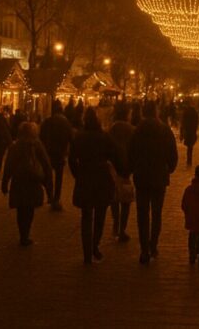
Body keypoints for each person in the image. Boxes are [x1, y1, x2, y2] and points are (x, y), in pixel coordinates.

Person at [128, 102, 179, 264]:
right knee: (156, 213)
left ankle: (144, 249)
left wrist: (132, 168)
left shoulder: (137, 130)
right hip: (159, 176)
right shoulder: (164, 129)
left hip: (142, 176)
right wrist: (169, 168)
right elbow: (173, 154)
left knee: (142, 214)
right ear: (156, 112)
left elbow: (130, 152)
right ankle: (153, 245)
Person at [68, 107, 119, 265]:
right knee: (100, 215)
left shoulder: (79, 137)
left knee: (86, 216)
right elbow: (114, 155)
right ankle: (95, 245)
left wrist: (78, 173)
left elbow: (71, 159)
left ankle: (87, 252)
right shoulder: (104, 136)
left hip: (85, 177)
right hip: (102, 178)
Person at [1, 122, 53, 246]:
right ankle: (26, 234)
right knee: (29, 210)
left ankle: (22, 234)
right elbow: (46, 165)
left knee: (21, 209)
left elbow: (9, 166)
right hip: (33, 181)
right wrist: (49, 188)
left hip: (19, 181)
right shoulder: (37, 145)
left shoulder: (15, 146)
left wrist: (4, 182)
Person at [39, 100, 74, 211]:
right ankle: (56, 198)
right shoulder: (66, 122)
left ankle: (50, 195)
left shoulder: (47, 121)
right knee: (59, 177)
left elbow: (41, 136)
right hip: (60, 153)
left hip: (48, 152)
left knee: (47, 175)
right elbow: (71, 138)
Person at [108, 104, 135, 242]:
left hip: (114, 167)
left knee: (115, 197)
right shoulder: (131, 129)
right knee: (125, 199)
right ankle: (122, 229)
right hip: (125, 168)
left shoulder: (112, 128)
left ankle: (116, 223)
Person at [180, 101, 199, 168]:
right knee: (190, 146)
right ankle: (189, 160)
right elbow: (197, 122)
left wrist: (182, 132)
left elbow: (183, 122)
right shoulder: (195, 112)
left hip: (187, 130)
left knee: (189, 146)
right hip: (192, 131)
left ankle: (189, 160)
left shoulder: (186, 112)